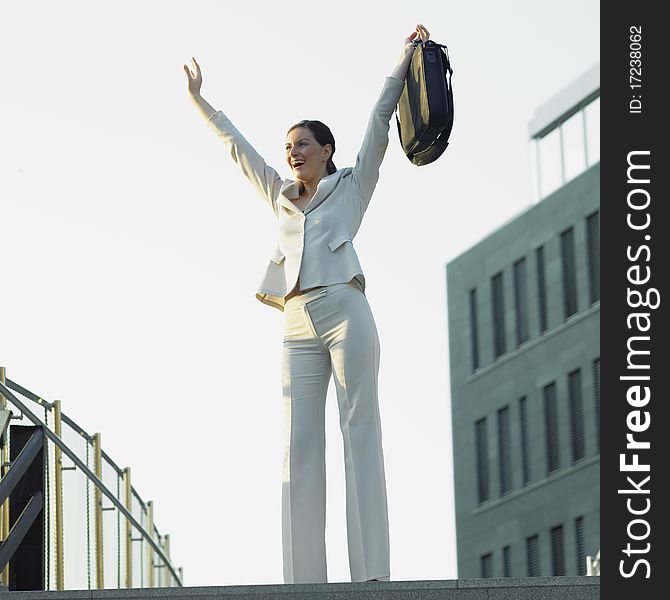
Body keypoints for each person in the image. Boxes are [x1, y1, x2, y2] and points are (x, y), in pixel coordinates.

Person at [184, 24, 430, 584]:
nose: (292, 153)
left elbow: (376, 124)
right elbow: (234, 147)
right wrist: (200, 102)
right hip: (295, 321)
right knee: (298, 446)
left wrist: (405, 55)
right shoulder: (278, 194)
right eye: (288, 147)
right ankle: (304, 583)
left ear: (326, 151)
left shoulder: (352, 184)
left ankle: (372, 578)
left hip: (346, 311)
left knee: (360, 431)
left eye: (302, 144)